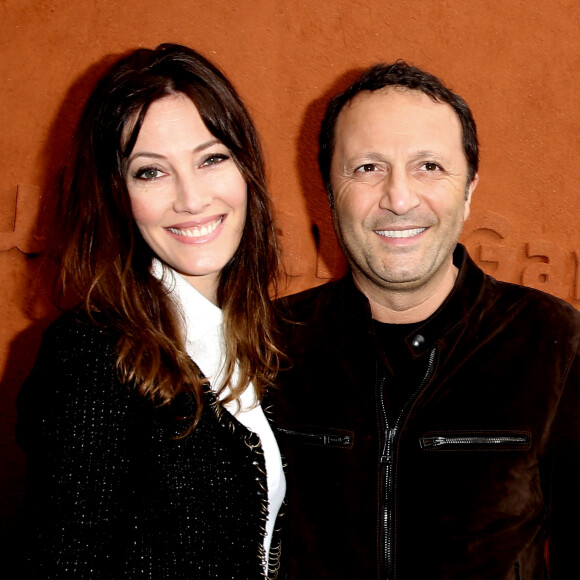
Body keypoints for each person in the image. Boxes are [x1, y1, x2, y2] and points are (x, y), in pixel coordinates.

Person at [269, 61, 580, 579]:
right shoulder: (269, 343)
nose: (399, 198)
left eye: (429, 166)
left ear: (469, 187)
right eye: (367, 167)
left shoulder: (555, 344)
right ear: (327, 188)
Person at [17, 43, 285, 579]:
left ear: (246, 168)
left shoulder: (264, 336)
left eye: (212, 159)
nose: (190, 198)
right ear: (117, 192)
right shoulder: (89, 356)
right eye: (150, 172)